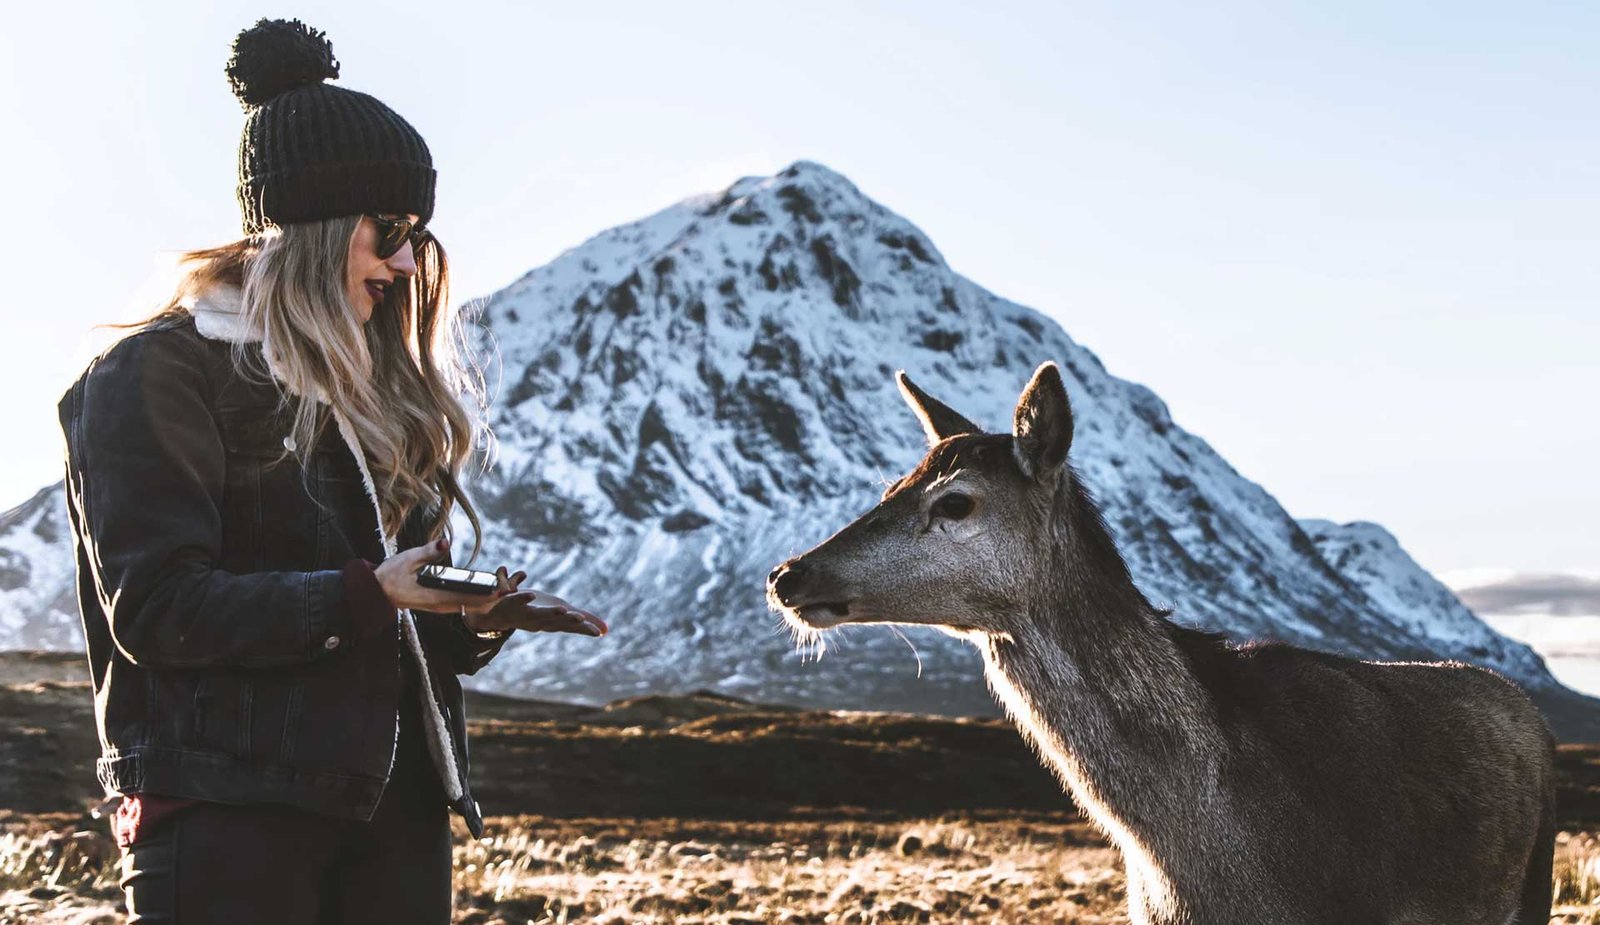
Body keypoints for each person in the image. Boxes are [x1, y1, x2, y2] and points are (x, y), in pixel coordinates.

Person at [55, 18, 607, 924]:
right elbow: (157, 607)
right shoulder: (159, 373)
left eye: (416, 236)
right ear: (310, 223)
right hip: (228, 820)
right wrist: (370, 594)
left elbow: (375, 611)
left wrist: (470, 618)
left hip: (393, 811)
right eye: (387, 228)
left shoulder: (374, 392)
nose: (402, 261)